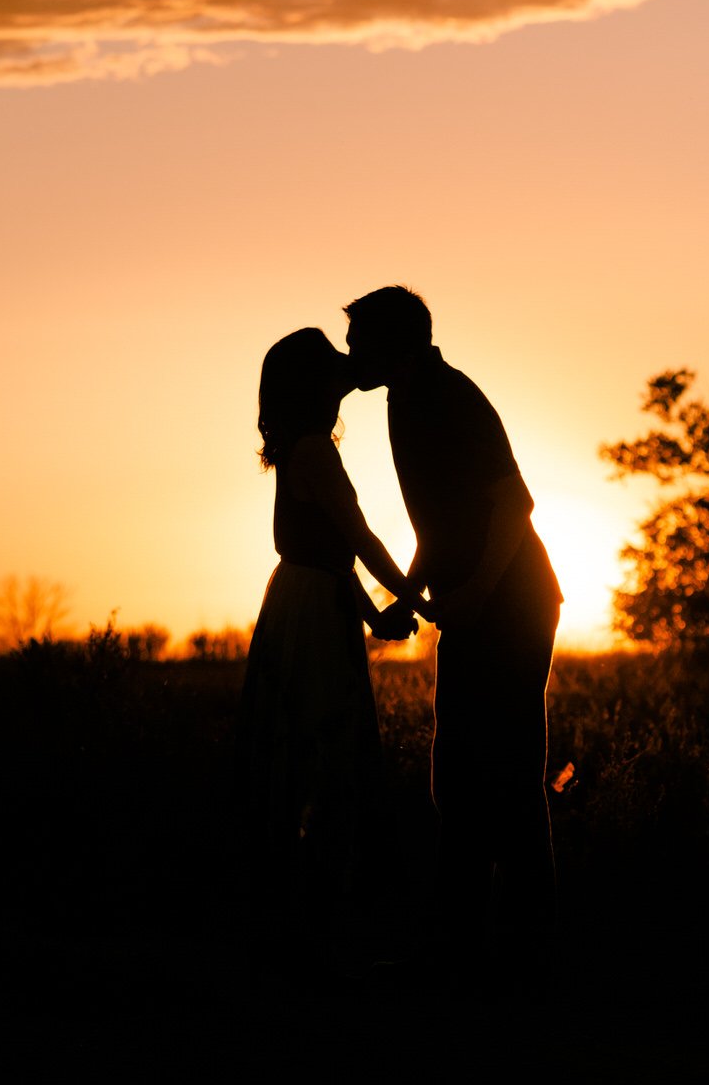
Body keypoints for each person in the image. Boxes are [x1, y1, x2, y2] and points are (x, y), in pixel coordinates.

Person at [343, 285, 562, 965]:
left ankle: (523, 944)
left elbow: (513, 504)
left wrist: (473, 594)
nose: (350, 355)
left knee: (508, 770)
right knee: (460, 768)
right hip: (475, 601)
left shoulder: (450, 395)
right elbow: (437, 526)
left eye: (359, 343)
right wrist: (409, 594)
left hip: (514, 600)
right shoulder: (402, 399)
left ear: (394, 344)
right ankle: (465, 932)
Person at [238, 326, 434, 940]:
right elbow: (358, 539)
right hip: (314, 612)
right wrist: (420, 601)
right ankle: (312, 926)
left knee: (300, 760)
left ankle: (296, 922)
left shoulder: (302, 446)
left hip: (303, 598)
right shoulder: (316, 453)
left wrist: (377, 615)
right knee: (326, 762)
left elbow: (326, 551)